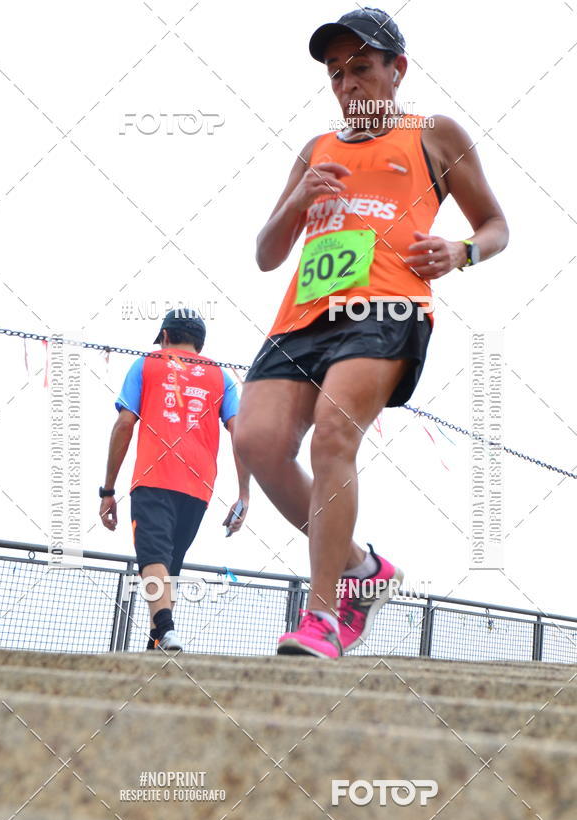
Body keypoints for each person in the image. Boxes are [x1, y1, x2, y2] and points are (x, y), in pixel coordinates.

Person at [235, 7, 509, 658]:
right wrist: (299, 199)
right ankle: (363, 569)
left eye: (360, 67)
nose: (347, 83)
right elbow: (267, 255)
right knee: (256, 442)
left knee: (334, 433)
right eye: (335, 73)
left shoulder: (434, 134)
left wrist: (461, 251)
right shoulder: (316, 150)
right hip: (302, 317)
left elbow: (497, 226)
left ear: (397, 70)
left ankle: (323, 615)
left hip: (388, 307)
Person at [100, 308, 250, 651]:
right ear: (200, 343)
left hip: (153, 476)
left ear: (165, 336)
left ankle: (166, 630)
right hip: (199, 485)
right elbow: (240, 432)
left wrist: (107, 490)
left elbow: (124, 424)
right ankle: (158, 640)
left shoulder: (146, 364)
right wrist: (244, 494)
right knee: (170, 563)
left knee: (152, 555)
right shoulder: (221, 376)